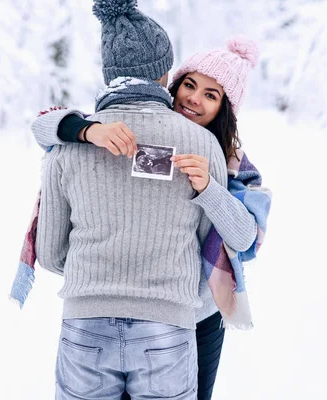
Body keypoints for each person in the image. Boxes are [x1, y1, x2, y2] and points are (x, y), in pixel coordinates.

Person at [30, 1, 258, 399]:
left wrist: (97, 271)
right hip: (170, 321)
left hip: (100, 320)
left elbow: (49, 256)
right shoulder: (200, 146)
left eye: (211, 95)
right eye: (190, 85)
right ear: (168, 75)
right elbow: (44, 123)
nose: (194, 100)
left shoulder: (226, 160)